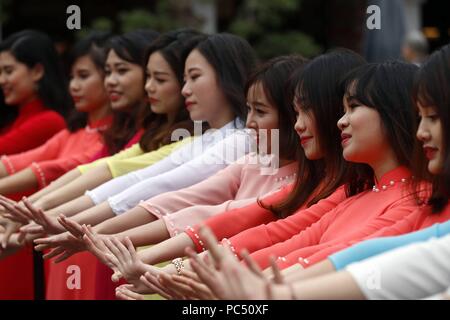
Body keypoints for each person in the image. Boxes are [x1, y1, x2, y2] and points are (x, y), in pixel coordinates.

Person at [0, 30, 69, 156]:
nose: (1, 80)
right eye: (0, 73)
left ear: (37, 71)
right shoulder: (12, 119)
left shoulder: (50, 121)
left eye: (8, 71)